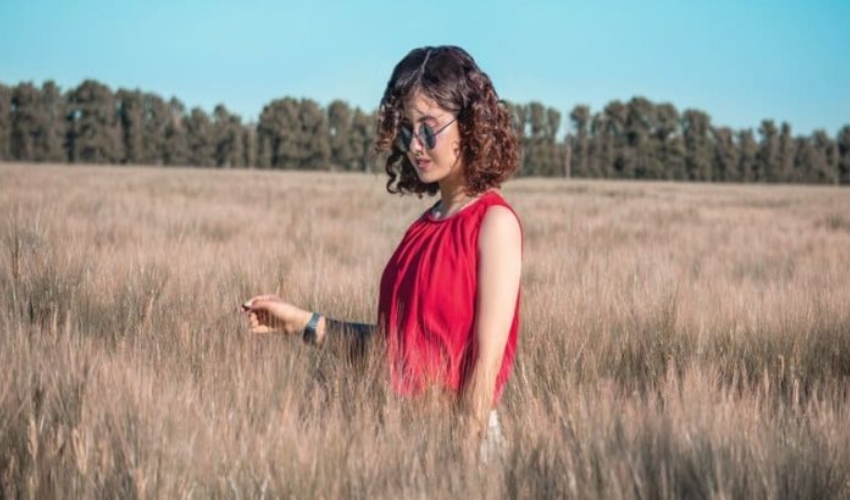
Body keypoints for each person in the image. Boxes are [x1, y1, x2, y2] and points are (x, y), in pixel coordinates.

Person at [242, 45, 522, 455]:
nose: (415, 146)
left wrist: (458, 469)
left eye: (429, 128)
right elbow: (394, 351)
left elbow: (484, 371)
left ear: (470, 122)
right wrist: (300, 322)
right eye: (407, 130)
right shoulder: (421, 230)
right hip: (397, 442)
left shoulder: (495, 226)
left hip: (462, 445)